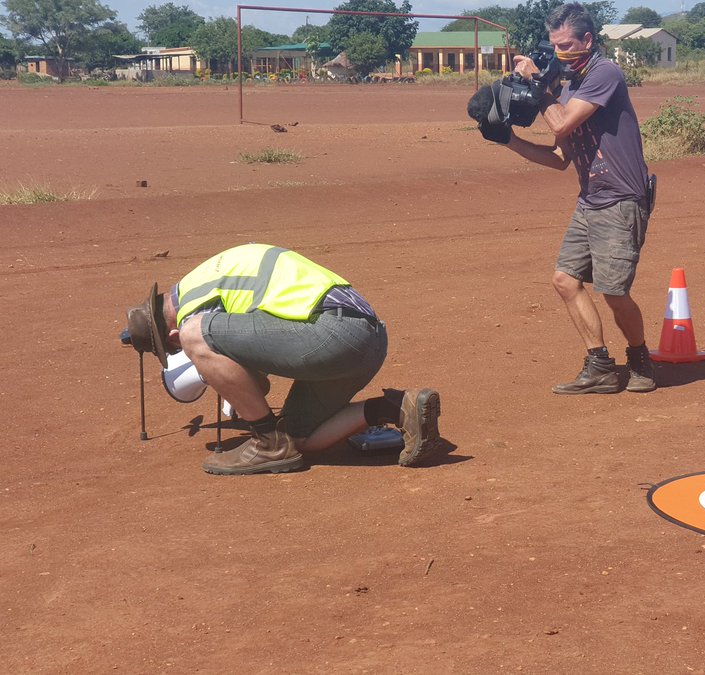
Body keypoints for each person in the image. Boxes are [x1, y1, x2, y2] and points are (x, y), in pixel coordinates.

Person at [124, 243, 441, 475]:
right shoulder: (204, 276)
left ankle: (267, 444)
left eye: (174, 350)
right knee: (300, 437)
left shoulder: (194, 313)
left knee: (196, 333)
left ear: (170, 338)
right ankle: (397, 407)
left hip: (333, 332)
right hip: (368, 337)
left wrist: (211, 371)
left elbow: (257, 386)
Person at [475, 3, 656, 395]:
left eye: (567, 44)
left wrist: (538, 86)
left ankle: (640, 357)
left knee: (613, 291)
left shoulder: (603, 73)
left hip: (622, 199)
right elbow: (559, 158)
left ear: (587, 40)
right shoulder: (568, 87)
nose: (560, 52)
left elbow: (560, 121)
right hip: (591, 198)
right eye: (554, 45)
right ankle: (600, 366)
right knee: (564, 280)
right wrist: (508, 140)